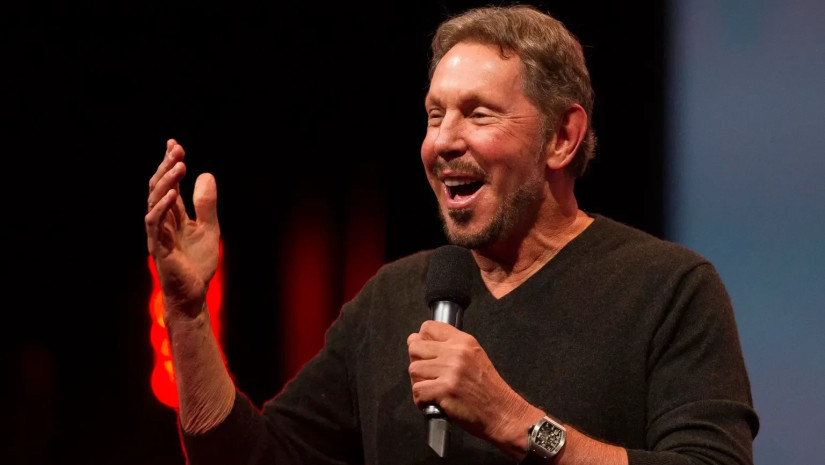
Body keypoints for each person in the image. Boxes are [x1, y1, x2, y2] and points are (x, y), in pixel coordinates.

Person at [144, 4, 759, 465]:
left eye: (478, 113)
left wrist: (517, 423)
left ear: (562, 137)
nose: (442, 142)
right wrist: (188, 314)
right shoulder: (391, 300)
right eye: (434, 115)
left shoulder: (669, 291)